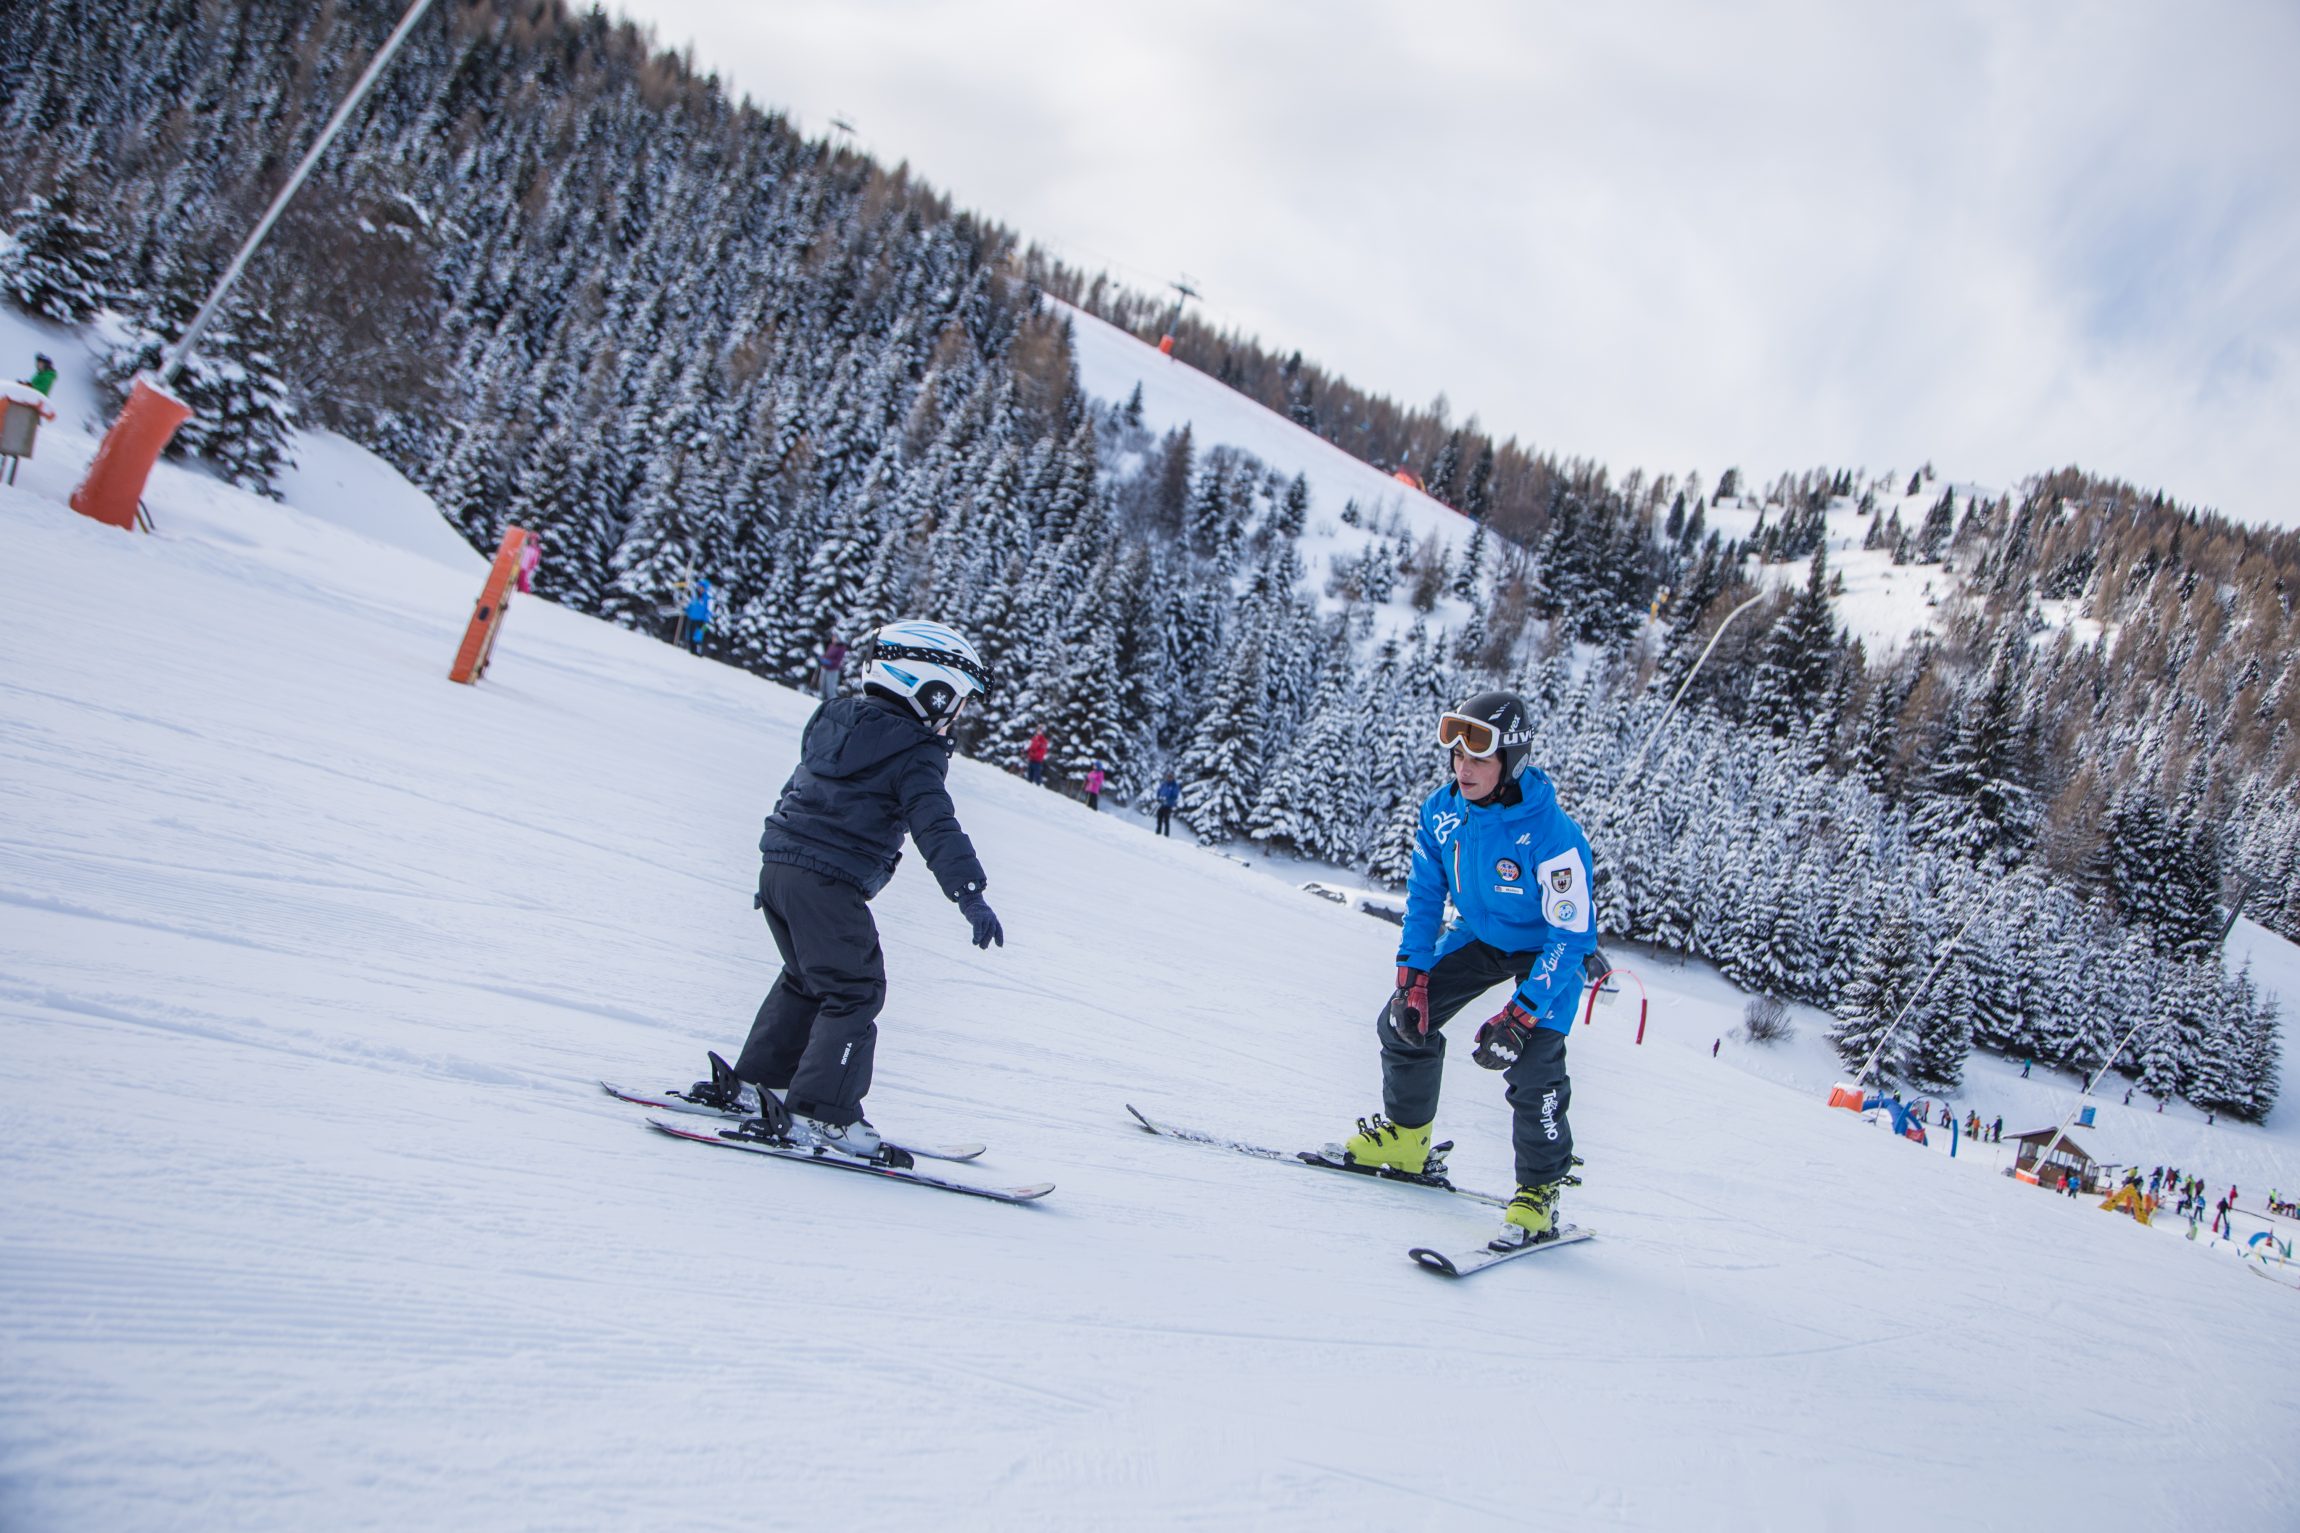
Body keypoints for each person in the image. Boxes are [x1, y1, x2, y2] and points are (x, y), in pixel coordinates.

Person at [685, 619, 1003, 1157]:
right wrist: (969, 892)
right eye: (957, 701)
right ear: (930, 689)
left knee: (808, 981)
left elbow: (799, 788)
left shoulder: (834, 720)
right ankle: (823, 1114)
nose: (956, 716)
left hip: (780, 868)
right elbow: (936, 825)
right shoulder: (915, 751)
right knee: (855, 990)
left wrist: (779, 855)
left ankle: (758, 1085)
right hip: (827, 881)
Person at [1340, 690, 1599, 1250]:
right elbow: (1425, 894)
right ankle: (1408, 1140)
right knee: (1405, 1019)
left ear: (1513, 761)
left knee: (1533, 1066)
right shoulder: (1442, 811)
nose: (1465, 768)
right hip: (1481, 936)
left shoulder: (1553, 836)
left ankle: (1540, 1190)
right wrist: (1412, 974)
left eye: (1480, 758)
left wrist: (1522, 1015)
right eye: (1458, 756)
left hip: (1548, 952)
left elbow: (1571, 935)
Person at [683, 577, 714, 655]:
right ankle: (690, 650)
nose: (700, 589)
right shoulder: (695, 596)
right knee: (689, 635)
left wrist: (707, 620)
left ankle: (697, 651)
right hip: (692, 618)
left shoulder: (708, 598)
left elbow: (710, 610)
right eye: (699, 587)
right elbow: (691, 605)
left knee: (698, 636)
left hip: (701, 621)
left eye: (702, 587)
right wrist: (686, 609)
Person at [1154, 771, 1179, 836]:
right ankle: (1158, 832)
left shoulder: (1174, 786)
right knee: (1159, 815)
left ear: (1173, 778)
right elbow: (1159, 791)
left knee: (1166, 819)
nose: (1169, 778)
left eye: (1171, 777)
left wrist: (1167, 800)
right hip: (1162, 803)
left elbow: (1175, 796)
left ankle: (1166, 835)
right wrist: (1158, 798)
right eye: (1168, 776)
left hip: (1169, 805)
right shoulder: (1164, 784)